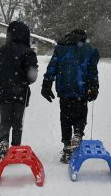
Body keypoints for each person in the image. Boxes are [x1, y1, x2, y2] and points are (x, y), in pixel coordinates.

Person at [41, 29, 99, 163]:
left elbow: (52, 67)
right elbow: (92, 71)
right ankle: (78, 134)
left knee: (65, 117)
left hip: (64, 89)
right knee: (80, 114)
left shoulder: (61, 47)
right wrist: (94, 86)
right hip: (81, 89)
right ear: (83, 37)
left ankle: (67, 145)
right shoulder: (89, 49)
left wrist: (46, 84)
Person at [0, 21, 38, 159]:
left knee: (5, 120)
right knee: (17, 122)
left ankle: (3, 143)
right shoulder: (27, 52)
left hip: (3, 93)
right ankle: (15, 147)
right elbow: (32, 75)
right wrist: (24, 81)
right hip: (21, 93)